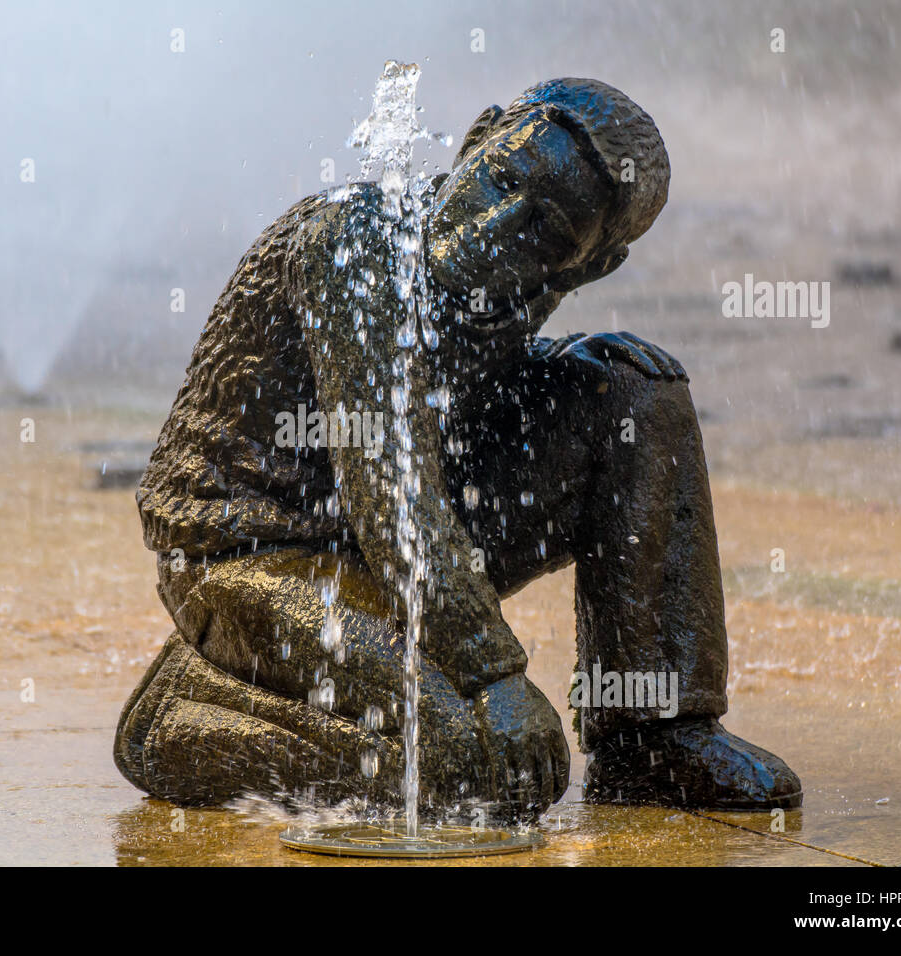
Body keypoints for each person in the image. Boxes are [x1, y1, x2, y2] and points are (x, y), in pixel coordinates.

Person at [116, 78, 802, 821]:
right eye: (501, 180)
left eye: (544, 229)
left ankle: (653, 738)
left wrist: (570, 368)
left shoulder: (523, 283)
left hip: (385, 544)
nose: (498, 224)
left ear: (587, 268)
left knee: (633, 393)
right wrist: (493, 677)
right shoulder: (357, 245)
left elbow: (454, 402)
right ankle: (179, 717)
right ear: (477, 138)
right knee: (480, 774)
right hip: (253, 551)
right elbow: (394, 492)